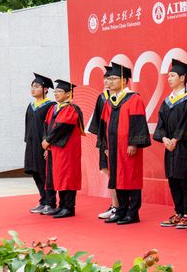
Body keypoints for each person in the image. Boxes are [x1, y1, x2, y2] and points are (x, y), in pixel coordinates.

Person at [96, 62, 151, 225]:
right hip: (113, 147)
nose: (110, 81)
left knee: (130, 177)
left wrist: (134, 143)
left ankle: (132, 213)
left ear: (125, 80)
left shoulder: (134, 99)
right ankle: (121, 210)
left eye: (114, 78)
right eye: (110, 78)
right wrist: (105, 146)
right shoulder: (110, 101)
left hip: (128, 147)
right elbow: (103, 125)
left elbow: (138, 123)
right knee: (117, 177)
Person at [155, 59, 187, 229]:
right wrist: (164, 139)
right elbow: (160, 124)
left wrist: (176, 139)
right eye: (168, 76)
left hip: (184, 146)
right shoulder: (167, 101)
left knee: (184, 179)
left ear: (182, 78)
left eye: (172, 76)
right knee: (172, 178)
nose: (169, 79)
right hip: (169, 147)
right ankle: (178, 212)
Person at [41, 80, 84, 218]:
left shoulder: (71, 109)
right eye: (55, 91)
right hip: (55, 148)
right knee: (58, 176)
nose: (56, 94)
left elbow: (61, 128)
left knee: (68, 176)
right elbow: (46, 126)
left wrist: (48, 141)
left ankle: (69, 207)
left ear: (68, 94)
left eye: (59, 91)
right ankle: (61, 205)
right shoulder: (53, 108)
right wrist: (46, 142)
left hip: (67, 149)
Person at [88, 71, 120, 220]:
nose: (107, 82)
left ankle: (120, 206)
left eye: (111, 79)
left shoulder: (122, 98)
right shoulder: (102, 98)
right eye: (106, 79)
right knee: (109, 173)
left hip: (118, 142)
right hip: (105, 142)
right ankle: (114, 205)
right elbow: (98, 123)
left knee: (118, 174)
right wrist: (104, 144)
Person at [25, 73, 57, 214]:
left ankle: (51, 202)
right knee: (35, 172)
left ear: (45, 89)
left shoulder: (51, 106)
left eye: (36, 86)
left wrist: (48, 146)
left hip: (44, 145)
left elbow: (52, 127)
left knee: (46, 174)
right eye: (32, 86)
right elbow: (27, 125)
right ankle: (43, 200)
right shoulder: (31, 106)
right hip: (32, 145)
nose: (33, 89)